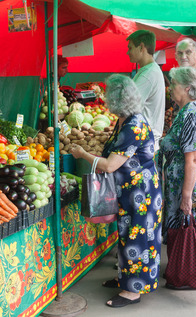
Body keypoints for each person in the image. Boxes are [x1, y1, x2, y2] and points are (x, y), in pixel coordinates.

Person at [70, 74, 162, 308]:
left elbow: (110, 165)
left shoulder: (133, 125)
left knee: (137, 237)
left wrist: (82, 154)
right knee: (126, 235)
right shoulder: (126, 120)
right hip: (130, 191)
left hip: (140, 193)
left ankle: (133, 290)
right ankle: (125, 277)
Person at [159, 67, 196, 263]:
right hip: (193, 183)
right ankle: (184, 270)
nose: (170, 88)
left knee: (186, 229)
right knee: (190, 230)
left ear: (187, 88)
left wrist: (186, 196)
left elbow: (192, 158)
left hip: (188, 185)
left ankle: (185, 273)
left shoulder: (191, 113)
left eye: (174, 84)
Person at [126, 30, 165, 150]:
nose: (128, 52)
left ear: (141, 47)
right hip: (145, 139)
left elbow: (127, 106)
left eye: (130, 48)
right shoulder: (148, 70)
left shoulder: (148, 74)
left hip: (144, 142)